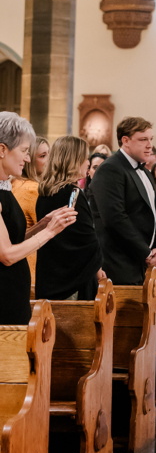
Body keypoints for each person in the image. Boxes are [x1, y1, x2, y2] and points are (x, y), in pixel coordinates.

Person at [0, 112, 77, 324]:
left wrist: (42, 225)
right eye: (24, 151)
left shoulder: (5, 188)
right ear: (2, 150)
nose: (27, 158)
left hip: (13, 293)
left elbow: (13, 240)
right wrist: (50, 232)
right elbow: (6, 254)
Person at [89, 116, 156, 284]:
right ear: (125, 140)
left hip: (140, 261)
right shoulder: (111, 169)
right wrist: (145, 251)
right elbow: (115, 218)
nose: (149, 145)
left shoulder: (144, 171)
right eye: (143, 139)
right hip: (119, 262)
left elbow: (152, 213)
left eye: (150, 139)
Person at [35, 136, 104, 301]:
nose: (87, 163)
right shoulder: (73, 193)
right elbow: (87, 240)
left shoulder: (46, 192)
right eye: (85, 158)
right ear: (73, 160)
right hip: (72, 282)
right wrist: (97, 267)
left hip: (50, 277)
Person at [11, 136, 49, 228]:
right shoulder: (33, 188)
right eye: (43, 156)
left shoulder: (15, 181)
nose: (50, 160)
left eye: (50, 154)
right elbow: (48, 228)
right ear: (28, 160)